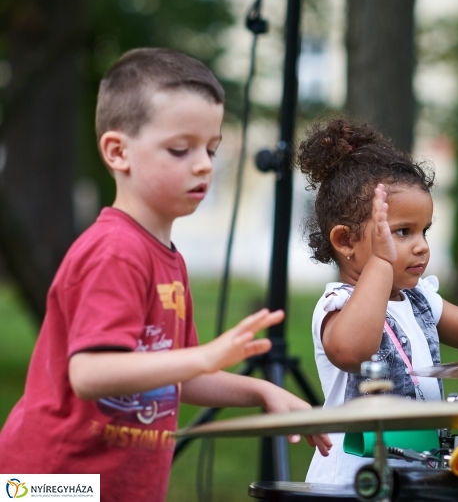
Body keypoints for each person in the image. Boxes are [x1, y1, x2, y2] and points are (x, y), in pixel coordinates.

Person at [0, 48, 331, 501]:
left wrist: (260, 390)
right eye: (181, 149)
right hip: (48, 482)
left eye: (211, 150)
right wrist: (202, 357)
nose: (204, 165)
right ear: (118, 152)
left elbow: (177, 376)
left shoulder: (167, 257)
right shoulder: (115, 252)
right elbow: (90, 373)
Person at [297, 118, 458, 484]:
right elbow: (354, 351)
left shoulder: (419, 300)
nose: (421, 245)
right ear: (346, 241)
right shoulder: (339, 303)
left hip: (414, 478)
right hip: (351, 483)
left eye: (424, 231)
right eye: (401, 232)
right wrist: (382, 264)